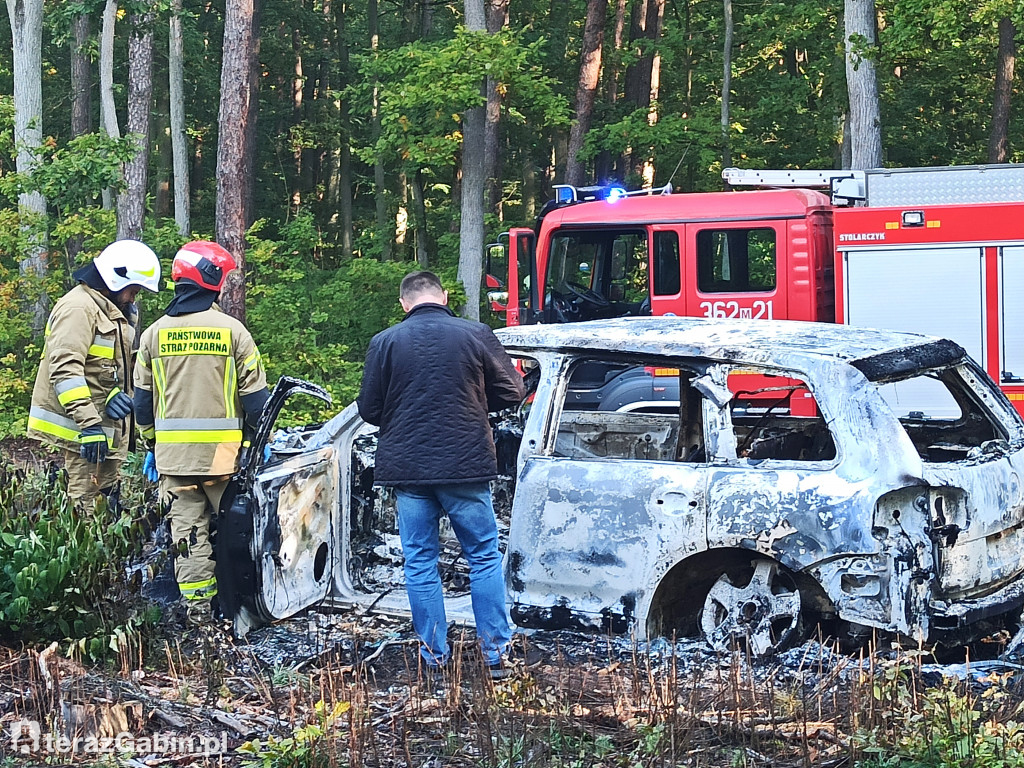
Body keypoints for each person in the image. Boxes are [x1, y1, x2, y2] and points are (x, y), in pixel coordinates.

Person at [357, 270, 526, 679]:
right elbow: (514, 391)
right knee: (484, 556)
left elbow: (369, 410)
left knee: (419, 562)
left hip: (409, 470)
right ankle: (496, 655)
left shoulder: (385, 342)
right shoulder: (476, 333)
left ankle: (434, 656)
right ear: (444, 296)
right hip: (465, 465)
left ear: (404, 303)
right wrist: (474, 406)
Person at [132, 241, 269, 624]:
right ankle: (243, 612)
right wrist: (262, 443)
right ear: (211, 281)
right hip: (225, 461)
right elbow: (257, 400)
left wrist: (151, 444)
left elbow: (142, 403)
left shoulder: (154, 335)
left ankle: (198, 618)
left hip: (174, 463)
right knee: (236, 535)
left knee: (187, 541)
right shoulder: (232, 332)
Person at [28, 240, 161, 504]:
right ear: (115, 279)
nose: (134, 297)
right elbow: (66, 371)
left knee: (107, 503)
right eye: (133, 290)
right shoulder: (78, 308)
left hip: (103, 425)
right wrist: (89, 425)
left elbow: (101, 366)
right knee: (87, 508)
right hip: (85, 429)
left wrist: (114, 393)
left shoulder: (109, 309)